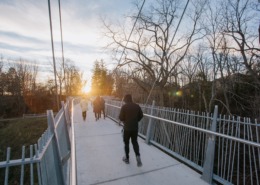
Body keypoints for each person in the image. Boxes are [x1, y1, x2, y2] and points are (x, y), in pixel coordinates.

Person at [119, 94, 143, 167]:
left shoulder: (124, 107)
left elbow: (120, 117)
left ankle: (127, 158)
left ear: (125, 99)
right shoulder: (137, 106)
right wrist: (136, 120)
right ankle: (138, 155)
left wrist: (124, 120)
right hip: (135, 128)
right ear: (131, 99)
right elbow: (141, 116)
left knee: (126, 143)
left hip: (127, 128)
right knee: (135, 142)